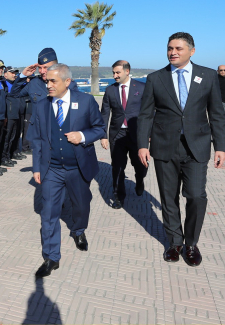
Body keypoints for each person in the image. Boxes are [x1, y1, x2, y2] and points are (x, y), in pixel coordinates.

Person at [137, 32, 225, 267]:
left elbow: (216, 114)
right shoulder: (156, 78)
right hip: (164, 147)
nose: (173, 52)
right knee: (169, 198)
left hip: (196, 147)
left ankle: (191, 243)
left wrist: (221, 146)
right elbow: (145, 114)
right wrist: (141, 145)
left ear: (192, 51)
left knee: (196, 196)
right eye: (169, 48)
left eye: (178, 48)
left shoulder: (207, 76)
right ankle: (175, 242)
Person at [30, 63, 105, 277]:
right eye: (47, 81)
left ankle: (78, 230)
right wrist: (36, 166)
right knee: (49, 212)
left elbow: (99, 128)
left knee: (81, 206)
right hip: (51, 169)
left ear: (67, 82)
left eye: (53, 81)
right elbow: (36, 139)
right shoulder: (42, 105)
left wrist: (81, 137)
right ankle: (52, 257)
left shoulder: (86, 101)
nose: (49, 85)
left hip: (78, 167)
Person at [100, 60, 147, 209]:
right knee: (118, 167)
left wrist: (149, 133)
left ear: (127, 71)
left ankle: (140, 180)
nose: (115, 75)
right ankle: (119, 196)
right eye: (113, 72)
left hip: (136, 134)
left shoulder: (142, 87)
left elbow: (149, 112)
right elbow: (105, 114)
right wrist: (103, 135)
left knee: (140, 165)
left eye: (118, 72)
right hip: (117, 134)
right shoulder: (110, 90)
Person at [14, 48, 79, 146]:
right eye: (40, 68)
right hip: (39, 137)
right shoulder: (34, 83)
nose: (42, 71)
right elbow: (14, 94)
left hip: (62, 135)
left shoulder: (69, 85)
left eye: (46, 67)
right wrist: (23, 75)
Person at [2, 66, 27, 165]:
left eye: (15, 73)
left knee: (13, 136)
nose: (14, 75)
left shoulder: (14, 84)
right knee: (7, 137)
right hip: (9, 114)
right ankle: (4, 157)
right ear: (5, 74)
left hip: (16, 113)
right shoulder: (5, 84)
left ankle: (9, 155)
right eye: (12, 73)